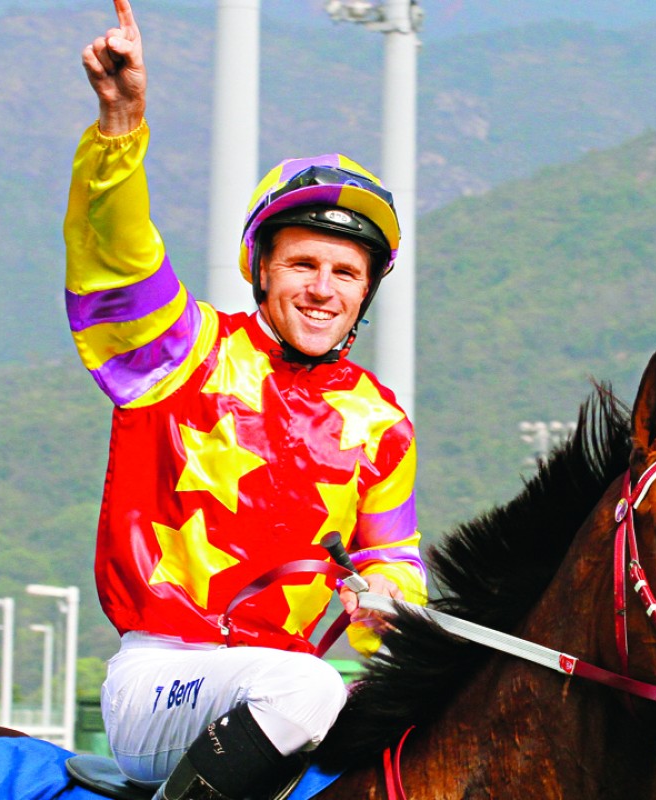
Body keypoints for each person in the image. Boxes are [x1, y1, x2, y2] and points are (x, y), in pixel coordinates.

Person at [63, 2, 427, 799]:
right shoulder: (181, 353)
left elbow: (391, 565)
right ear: (262, 269)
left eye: (345, 273)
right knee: (307, 689)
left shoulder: (381, 425)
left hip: (277, 686)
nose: (322, 289)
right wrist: (122, 124)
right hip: (162, 679)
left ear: (366, 293)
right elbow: (120, 258)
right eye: (304, 264)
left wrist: (389, 605)